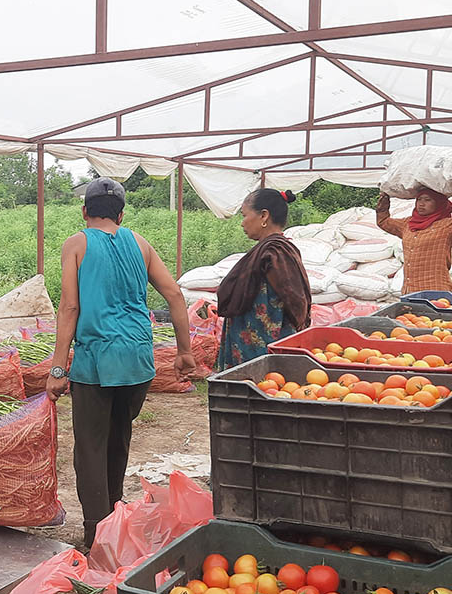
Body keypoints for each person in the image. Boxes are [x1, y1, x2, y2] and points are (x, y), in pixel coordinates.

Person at [45, 177, 197, 550]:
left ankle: (98, 535)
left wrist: (57, 367)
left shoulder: (77, 244)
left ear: (85, 212)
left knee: (91, 449)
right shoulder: (139, 243)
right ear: (122, 214)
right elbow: (175, 294)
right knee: (118, 439)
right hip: (138, 362)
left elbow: (69, 306)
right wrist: (184, 351)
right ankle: (115, 520)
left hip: (98, 361)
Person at [216, 189, 312, 370]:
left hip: (264, 343)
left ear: (264, 216)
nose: (242, 223)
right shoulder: (270, 249)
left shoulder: (275, 251)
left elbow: (294, 298)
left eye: (244, 216)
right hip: (253, 341)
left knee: (263, 382)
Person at [376, 188, 452, 294]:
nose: (421, 204)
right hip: (409, 290)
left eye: (427, 200)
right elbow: (383, 221)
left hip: (435, 289)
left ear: (439, 203)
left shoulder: (448, 226)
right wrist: (384, 200)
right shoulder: (407, 224)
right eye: (419, 200)